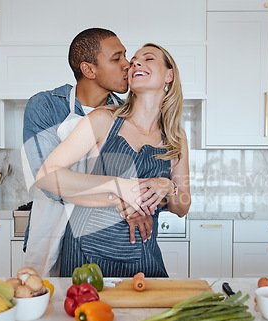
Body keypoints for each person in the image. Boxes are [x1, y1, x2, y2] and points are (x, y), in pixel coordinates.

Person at [36, 43, 191, 277]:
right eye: (134, 60)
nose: (136, 63)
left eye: (149, 59)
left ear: (169, 75)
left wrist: (168, 186)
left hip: (143, 252)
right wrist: (120, 189)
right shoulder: (103, 120)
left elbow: (182, 206)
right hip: (86, 253)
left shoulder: (175, 136)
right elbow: (46, 176)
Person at [22, 28, 153, 276]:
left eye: (125, 55)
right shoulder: (45, 106)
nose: (128, 64)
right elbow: (49, 184)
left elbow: (141, 178)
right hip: (49, 233)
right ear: (89, 70)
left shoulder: (128, 114)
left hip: (103, 244)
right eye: (117, 59)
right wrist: (122, 198)